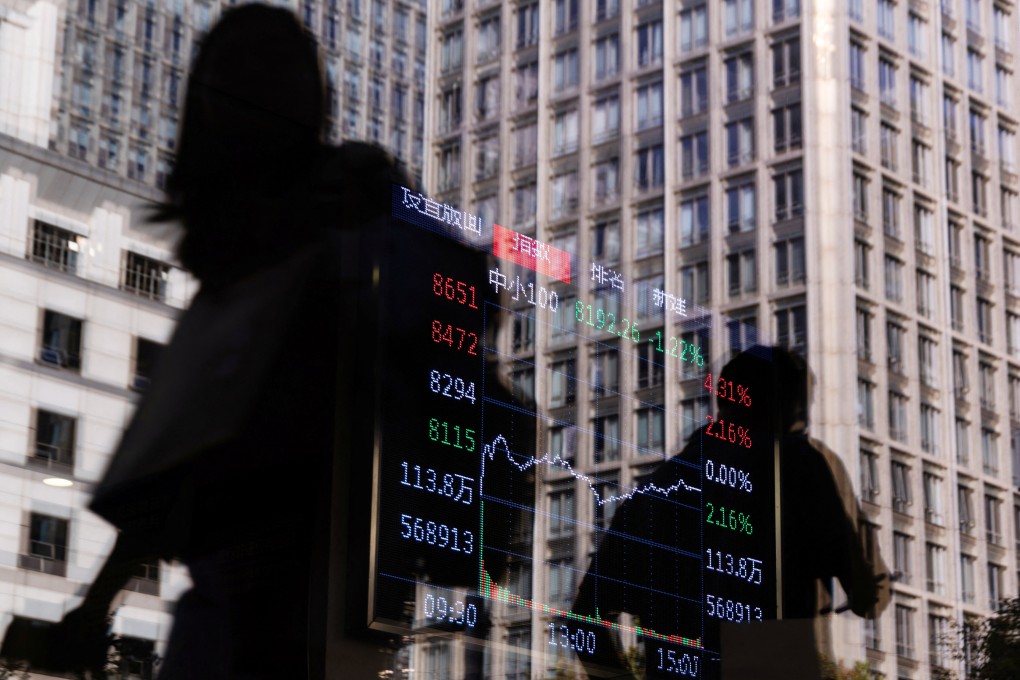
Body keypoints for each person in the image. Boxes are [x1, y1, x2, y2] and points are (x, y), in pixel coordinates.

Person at [572, 346, 888, 679]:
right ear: (784, 406)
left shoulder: (656, 490)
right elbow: (868, 595)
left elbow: (583, 621)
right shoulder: (797, 465)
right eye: (801, 409)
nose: (803, 421)